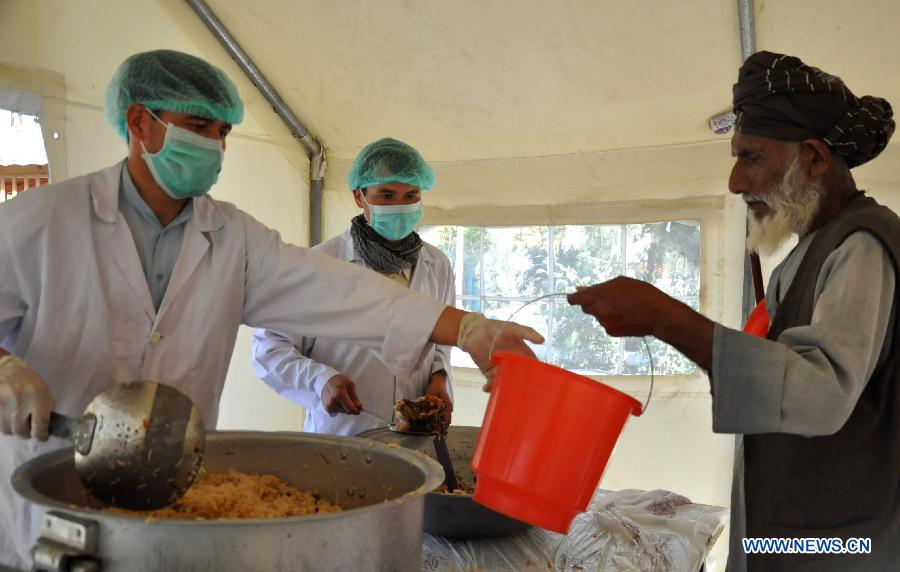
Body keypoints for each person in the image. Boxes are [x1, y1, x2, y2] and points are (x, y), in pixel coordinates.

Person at [0, 49, 542, 568]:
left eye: (222, 132)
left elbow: (335, 290)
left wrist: (470, 329)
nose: (214, 145)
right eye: (198, 127)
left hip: (170, 500)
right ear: (140, 122)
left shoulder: (232, 238)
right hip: (48, 498)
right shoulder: (41, 221)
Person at [569, 51, 897, 571]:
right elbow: (771, 378)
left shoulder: (862, 246)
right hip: (792, 524)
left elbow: (819, 394)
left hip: (842, 543)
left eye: (751, 158)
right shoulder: (811, 248)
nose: (735, 183)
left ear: (813, 157)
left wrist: (664, 318)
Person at [252, 138, 456, 435]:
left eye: (410, 195)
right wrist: (319, 380)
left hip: (415, 435)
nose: (400, 206)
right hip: (342, 435)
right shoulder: (319, 264)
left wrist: (439, 375)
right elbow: (269, 348)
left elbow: (440, 342)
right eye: (386, 195)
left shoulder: (437, 265)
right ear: (359, 197)